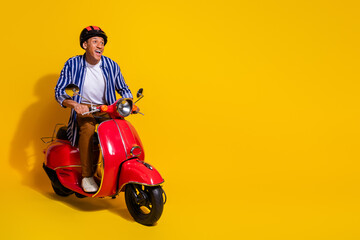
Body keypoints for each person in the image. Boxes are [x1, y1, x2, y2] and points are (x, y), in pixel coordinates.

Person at [55, 26, 133, 192]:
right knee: (88, 129)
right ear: (85, 45)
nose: (100, 46)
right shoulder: (72, 63)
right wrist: (75, 105)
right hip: (85, 109)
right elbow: (59, 91)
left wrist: (129, 102)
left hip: (108, 108)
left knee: (121, 129)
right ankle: (87, 176)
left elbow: (124, 88)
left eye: (102, 42)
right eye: (95, 41)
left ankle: (120, 171)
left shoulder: (112, 65)